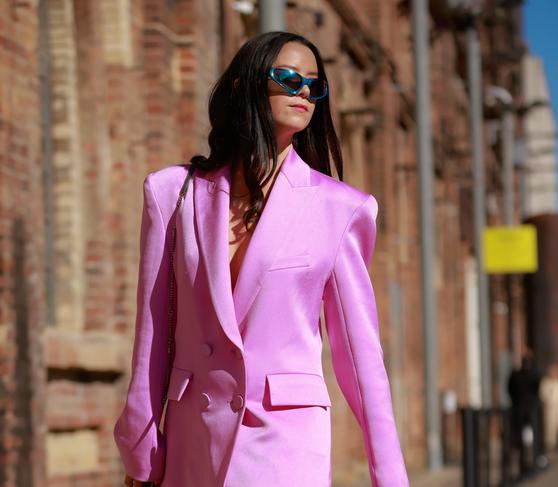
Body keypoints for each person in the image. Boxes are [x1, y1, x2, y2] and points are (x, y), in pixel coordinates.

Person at [113, 31, 408, 486]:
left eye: (314, 83)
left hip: (286, 444)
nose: (304, 91)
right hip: (195, 440)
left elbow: (360, 357)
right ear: (243, 85)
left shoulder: (340, 209)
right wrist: (141, 446)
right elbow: (153, 332)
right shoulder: (172, 194)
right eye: (288, 78)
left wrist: (389, 476)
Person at [508, 351, 543, 478]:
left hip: (519, 412)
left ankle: (524, 465)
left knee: (522, 441)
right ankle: (530, 465)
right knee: (530, 440)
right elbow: (537, 389)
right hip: (529, 413)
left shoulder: (516, 375)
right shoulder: (534, 374)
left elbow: (510, 390)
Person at [539, 363, 558, 452]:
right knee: (550, 430)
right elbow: (543, 395)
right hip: (550, 409)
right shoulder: (545, 382)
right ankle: (550, 447)